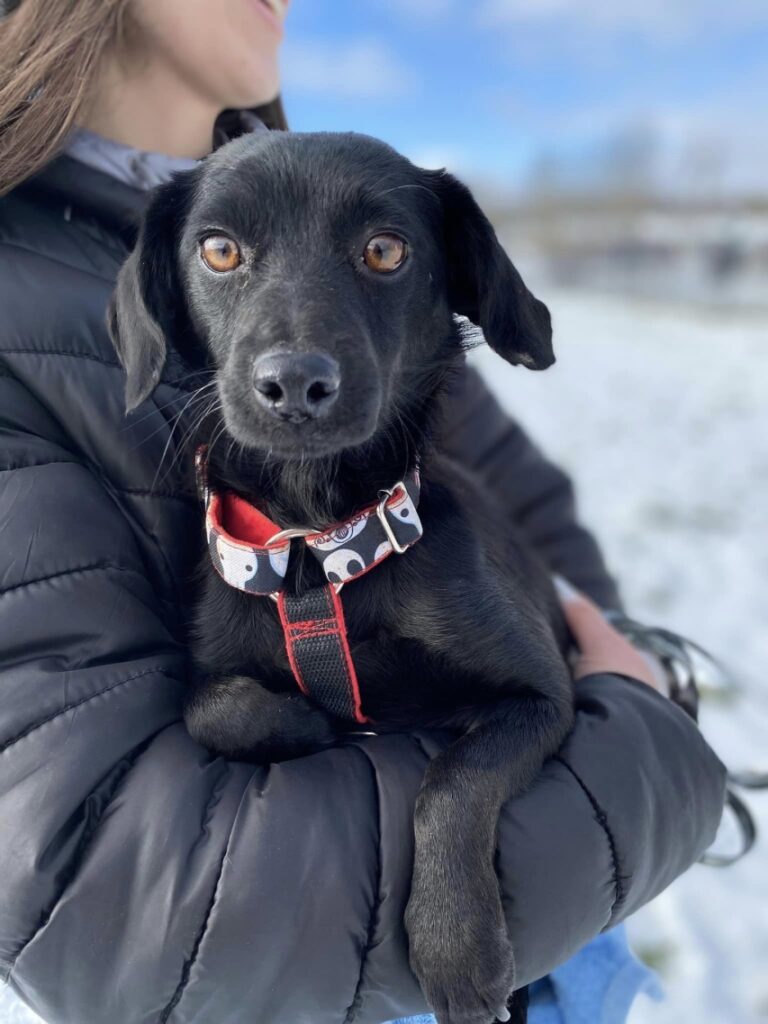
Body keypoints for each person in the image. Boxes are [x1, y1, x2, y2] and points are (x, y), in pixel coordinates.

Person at [0, 2, 726, 1023]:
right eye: (224, 256)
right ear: (167, 289)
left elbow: (534, 522)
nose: (296, 357)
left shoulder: (383, 277)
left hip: (564, 944)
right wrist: (638, 740)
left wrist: (614, 677)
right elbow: (107, 906)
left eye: (381, 254)